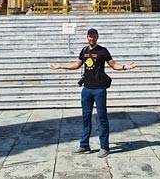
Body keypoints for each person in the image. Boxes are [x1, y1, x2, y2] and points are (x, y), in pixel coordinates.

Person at [49, 27, 136, 157]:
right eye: (90, 36)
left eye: (94, 36)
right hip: (86, 89)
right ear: (87, 37)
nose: (92, 38)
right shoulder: (84, 50)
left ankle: (104, 147)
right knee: (85, 118)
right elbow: (77, 64)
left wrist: (124, 67)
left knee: (102, 118)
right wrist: (61, 66)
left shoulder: (103, 51)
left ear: (97, 37)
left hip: (99, 89)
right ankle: (84, 145)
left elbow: (113, 65)